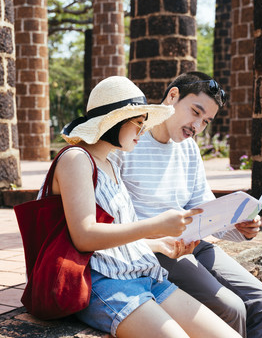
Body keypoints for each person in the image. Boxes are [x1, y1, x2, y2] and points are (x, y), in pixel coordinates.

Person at [45, 76, 241, 338]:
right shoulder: (76, 159)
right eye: (138, 123)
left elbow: (117, 235)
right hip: (103, 282)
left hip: (142, 272)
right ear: (115, 121)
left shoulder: (111, 163)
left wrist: (160, 245)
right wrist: (156, 226)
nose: (143, 131)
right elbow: (84, 237)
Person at [110, 72, 262, 338]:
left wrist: (241, 226)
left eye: (206, 121)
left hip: (194, 243)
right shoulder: (129, 141)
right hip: (156, 249)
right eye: (195, 112)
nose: (197, 126)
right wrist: (159, 238)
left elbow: (206, 211)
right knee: (232, 307)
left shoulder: (189, 150)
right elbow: (113, 218)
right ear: (172, 96)